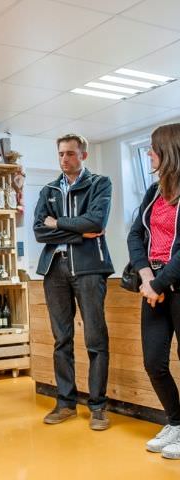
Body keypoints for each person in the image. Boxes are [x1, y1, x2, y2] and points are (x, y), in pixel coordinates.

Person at [33, 133, 114, 430]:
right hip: (55, 269)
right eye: (61, 154)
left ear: (83, 155)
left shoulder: (99, 184)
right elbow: (40, 231)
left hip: (90, 268)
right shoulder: (49, 189)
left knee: (95, 339)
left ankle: (98, 408)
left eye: (70, 153)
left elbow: (96, 222)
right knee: (61, 340)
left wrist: (59, 223)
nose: (65, 158)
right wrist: (78, 232)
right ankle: (65, 403)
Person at [127, 123, 180, 459]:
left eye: (152, 148)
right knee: (153, 362)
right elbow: (135, 236)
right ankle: (176, 422)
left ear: (169, 152)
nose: (149, 153)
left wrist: (159, 284)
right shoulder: (153, 191)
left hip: (174, 286)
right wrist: (148, 279)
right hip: (153, 286)